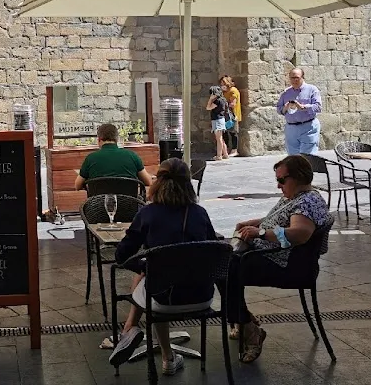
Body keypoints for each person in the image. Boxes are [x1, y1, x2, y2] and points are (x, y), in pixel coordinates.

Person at [108, 158, 220, 375]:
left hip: (164, 300)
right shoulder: (199, 213)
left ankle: (156, 349)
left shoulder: (148, 214)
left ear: (158, 182)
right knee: (153, 276)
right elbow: (213, 250)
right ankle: (133, 331)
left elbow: (121, 255)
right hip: (203, 296)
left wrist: (143, 266)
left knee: (151, 278)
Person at [221, 155, 331, 363]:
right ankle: (242, 318)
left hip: (287, 266)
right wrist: (251, 224)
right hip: (272, 257)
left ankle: (247, 327)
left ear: (297, 177)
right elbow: (274, 219)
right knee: (226, 265)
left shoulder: (306, 202)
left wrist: (260, 233)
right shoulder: (294, 196)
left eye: (282, 180)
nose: (278, 185)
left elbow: (300, 233)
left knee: (226, 270)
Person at [74, 123, 153, 191]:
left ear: (99, 139)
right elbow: (148, 181)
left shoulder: (90, 158)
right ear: (117, 139)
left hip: (98, 207)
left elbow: (77, 186)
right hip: (129, 206)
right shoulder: (132, 156)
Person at [276, 68, 323, 155]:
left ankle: (308, 169)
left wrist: (303, 107)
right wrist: (285, 108)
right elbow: (279, 110)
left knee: (308, 156)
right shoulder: (286, 93)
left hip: (308, 127)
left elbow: (318, 107)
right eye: (292, 78)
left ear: (303, 77)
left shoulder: (312, 90)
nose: (294, 80)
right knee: (293, 158)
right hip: (291, 129)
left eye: (296, 77)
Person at [205, 86, 230, 161]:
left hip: (217, 120)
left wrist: (210, 99)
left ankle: (219, 156)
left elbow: (208, 107)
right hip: (221, 119)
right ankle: (225, 154)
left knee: (218, 139)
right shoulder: (223, 100)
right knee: (221, 138)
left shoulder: (217, 101)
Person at [220, 75, 241, 157]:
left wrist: (223, 104)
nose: (222, 85)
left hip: (232, 115)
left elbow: (233, 104)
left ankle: (234, 150)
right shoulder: (225, 92)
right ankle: (226, 149)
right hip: (225, 115)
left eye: (223, 83)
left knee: (233, 132)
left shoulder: (233, 91)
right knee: (225, 132)